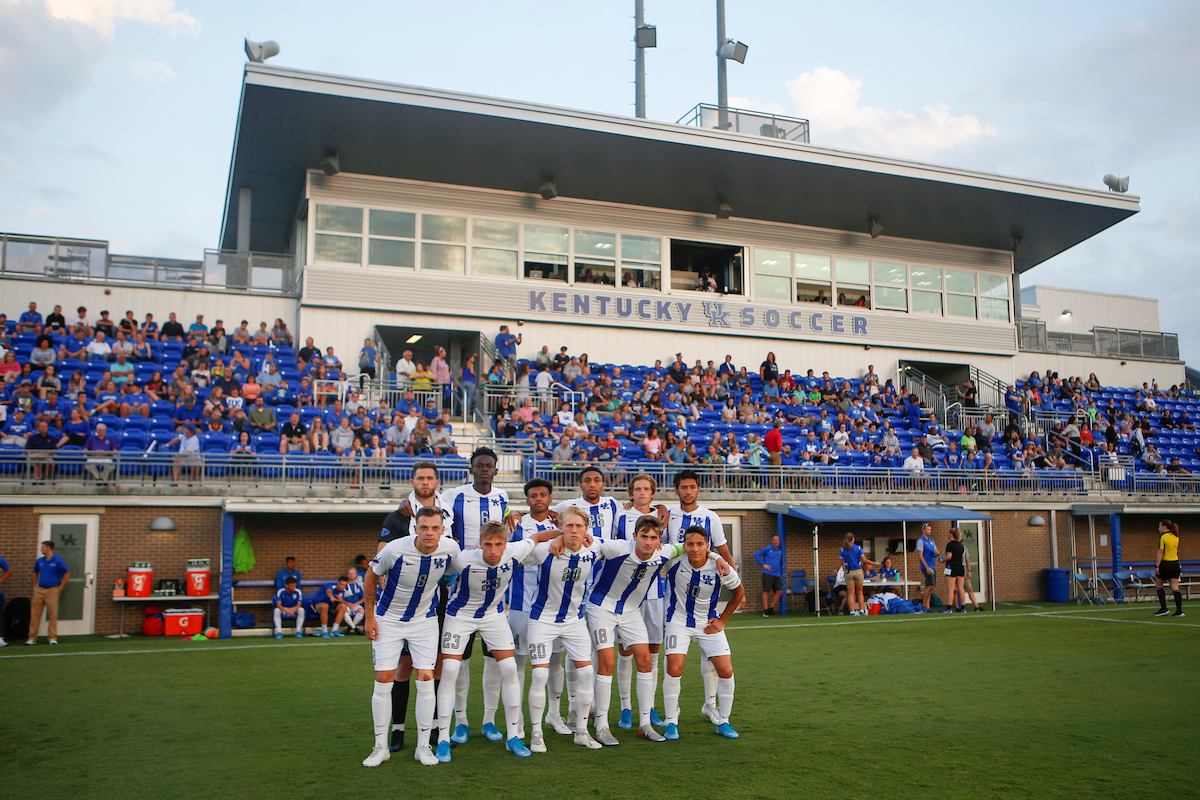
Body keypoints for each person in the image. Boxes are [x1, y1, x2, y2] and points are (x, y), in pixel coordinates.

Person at [434, 520, 555, 761]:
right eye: (487, 544)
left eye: (498, 544)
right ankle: (443, 738)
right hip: (460, 616)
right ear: (479, 544)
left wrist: (565, 534)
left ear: (505, 544)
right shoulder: (463, 559)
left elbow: (540, 536)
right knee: (449, 670)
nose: (492, 550)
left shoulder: (514, 552)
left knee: (509, 669)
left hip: (493, 616)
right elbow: (439, 572)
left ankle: (513, 736)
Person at [363, 506, 463, 768]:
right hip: (389, 620)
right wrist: (369, 616)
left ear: (442, 530)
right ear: (414, 528)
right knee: (384, 680)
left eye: (435, 528)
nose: (429, 533)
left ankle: (423, 746)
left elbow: (466, 566)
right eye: (424, 527)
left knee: (426, 679)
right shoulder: (394, 549)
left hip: (424, 622)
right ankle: (380, 746)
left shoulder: (450, 549)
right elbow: (371, 576)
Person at [376, 461, 455, 752]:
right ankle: (397, 730)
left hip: (438, 598)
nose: (425, 482)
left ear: (437, 481)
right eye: (420, 478)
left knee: (435, 666)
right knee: (403, 666)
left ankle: (434, 729)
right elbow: (380, 557)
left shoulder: (450, 509)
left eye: (429, 478)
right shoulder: (399, 516)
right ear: (412, 481)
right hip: (402, 603)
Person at [586, 513, 684, 744]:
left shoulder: (664, 552)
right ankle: (601, 725)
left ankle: (645, 724)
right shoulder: (616, 548)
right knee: (607, 661)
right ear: (634, 536)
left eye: (653, 537)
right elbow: (588, 539)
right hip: (601, 608)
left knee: (645, 660)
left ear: (660, 538)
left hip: (630, 613)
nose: (648, 542)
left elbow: (687, 547)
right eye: (644, 537)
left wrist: (716, 557)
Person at [440, 447, 512, 742]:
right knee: (461, 659)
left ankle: (489, 720)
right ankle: (460, 720)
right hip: (460, 586)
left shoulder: (503, 497)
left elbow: (507, 522)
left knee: (493, 659)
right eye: (479, 465)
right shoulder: (453, 495)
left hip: (493, 589)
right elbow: (432, 511)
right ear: (471, 470)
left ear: (496, 470)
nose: (484, 469)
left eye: (489, 465)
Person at [523, 506, 604, 751]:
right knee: (539, 674)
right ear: (560, 527)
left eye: (579, 526)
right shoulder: (543, 550)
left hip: (574, 621)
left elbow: (628, 547)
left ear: (586, 529)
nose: (574, 530)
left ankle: (580, 730)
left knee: (587, 673)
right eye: (569, 526)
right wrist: (555, 538)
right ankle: (536, 733)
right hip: (542, 619)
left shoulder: (595, 548)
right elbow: (518, 553)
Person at [662, 525, 743, 740]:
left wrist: (723, 620)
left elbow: (739, 592)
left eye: (700, 544)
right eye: (690, 544)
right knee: (674, 667)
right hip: (678, 620)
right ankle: (671, 721)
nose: (695, 548)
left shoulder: (721, 567)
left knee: (725, 669)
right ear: (684, 545)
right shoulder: (673, 561)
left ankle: (724, 721)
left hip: (708, 622)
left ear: (708, 546)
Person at [26, 540, 69, 645]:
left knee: (52, 614)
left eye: (43, 547)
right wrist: (34, 586)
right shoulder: (40, 561)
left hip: (52, 589)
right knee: (35, 614)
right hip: (40, 589)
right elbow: (35, 572)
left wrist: (60, 588)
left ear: (48, 548)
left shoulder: (58, 561)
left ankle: (52, 637)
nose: (41, 549)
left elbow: (67, 574)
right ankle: (32, 637)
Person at [839, 533, 880, 616]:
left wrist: (836, 572)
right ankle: (861, 610)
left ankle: (852, 611)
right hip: (858, 571)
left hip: (849, 572)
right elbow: (864, 560)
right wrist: (875, 564)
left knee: (850, 593)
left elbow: (840, 562)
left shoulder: (843, 549)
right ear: (853, 539)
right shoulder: (858, 548)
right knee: (860, 592)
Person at [1153, 519, 1184, 617]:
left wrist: (1157, 566)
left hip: (1165, 563)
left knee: (1159, 585)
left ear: (1164, 526)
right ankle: (1179, 611)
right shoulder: (1175, 537)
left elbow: (1160, 552)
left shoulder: (1163, 537)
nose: (1159, 529)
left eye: (1160, 526)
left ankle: (1164, 608)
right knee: (1175, 587)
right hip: (1175, 563)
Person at [755, 534, 784, 616]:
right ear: (772, 541)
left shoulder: (780, 550)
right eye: (775, 540)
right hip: (768, 573)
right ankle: (766, 609)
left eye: (778, 540)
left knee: (779, 591)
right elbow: (756, 555)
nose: (777, 542)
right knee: (766, 591)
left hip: (777, 574)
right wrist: (764, 564)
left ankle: (771, 608)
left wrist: (781, 573)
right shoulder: (768, 549)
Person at [943, 528, 969, 613]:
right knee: (961, 588)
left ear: (951, 535)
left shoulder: (950, 545)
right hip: (960, 567)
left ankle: (949, 607)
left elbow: (949, 556)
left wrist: (942, 560)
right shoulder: (961, 545)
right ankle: (963, 607)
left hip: (952, 566)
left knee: (951, 588)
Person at [918, 523, 940, 610]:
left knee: (930, 585)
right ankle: (924, 605)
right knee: (931, 585)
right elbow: (920, 555)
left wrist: (936, 553)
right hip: (926, 566)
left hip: (932, 564)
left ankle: (927, 606)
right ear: (924, 531)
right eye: (928, 530)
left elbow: (935, 550)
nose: (930, 531)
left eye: (930, 530)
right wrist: (926, 567)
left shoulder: (931, 540)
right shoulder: (921, 541)